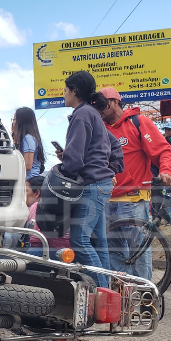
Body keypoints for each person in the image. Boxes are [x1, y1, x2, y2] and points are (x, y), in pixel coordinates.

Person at [55, 71, 124, 287]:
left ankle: (102, 294)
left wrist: (61, 172)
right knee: (98, 243)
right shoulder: (92, 113)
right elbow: (112, 145)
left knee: (79, 241)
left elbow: (75, 158)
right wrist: (109, 169)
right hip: (100, 184)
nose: (64, 94)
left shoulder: (82, 113)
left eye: (65, 90)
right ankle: (107, 291)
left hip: (92, 185)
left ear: (74, 91)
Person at [98, 88, 171, 280]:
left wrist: (166, 171)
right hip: (106, 199)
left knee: (137, 249)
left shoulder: (138, 122)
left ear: (115, 102)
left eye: (102, 104)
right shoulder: (100, 129)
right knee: (113, 251)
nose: (98, 108)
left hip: (133, 198)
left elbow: (163, 150)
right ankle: (122, 292)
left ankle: (143, 292)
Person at [24, 175, 70, 258]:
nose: (22, 195)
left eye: (25, 191)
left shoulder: (36, 206)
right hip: (73, 252)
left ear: (37, 193)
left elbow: (35, 240)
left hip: (58, 253)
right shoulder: (65, 204)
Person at [12, 107, 46, 179]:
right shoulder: (29, 138)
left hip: (28, 180)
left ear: (21, 121)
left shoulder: (28, 138)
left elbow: (27, 166)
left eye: (14, 119)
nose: (13, 122)